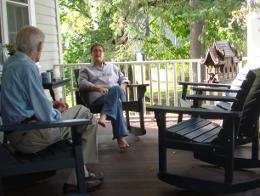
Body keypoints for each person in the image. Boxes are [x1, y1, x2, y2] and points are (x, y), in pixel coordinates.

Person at [0, 26, 103, 194]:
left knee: (80, 117)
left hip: (15, 134)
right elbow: (47, 116)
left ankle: (82, 172)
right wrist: (58, 112)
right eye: (42, 46)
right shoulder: (28, 66)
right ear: (37, 47)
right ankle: (77, 179)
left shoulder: (11, 63)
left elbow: (28, 103)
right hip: (31, 135)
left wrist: (51, 106)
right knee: (87, 116)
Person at [78, 43, 130, 149]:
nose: (98, 53)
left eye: (100, 51)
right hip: (98, 98)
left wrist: (123, 86)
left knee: (116, 89)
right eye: (95, 51)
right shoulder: (86, 69)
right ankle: (120, 138)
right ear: (91, 54)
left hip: (116, 94)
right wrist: (96, 88)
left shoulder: (113, 67)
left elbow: (124, 79)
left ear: (103, 53)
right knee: (117, 103)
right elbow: (82, 83)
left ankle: (104, 115)